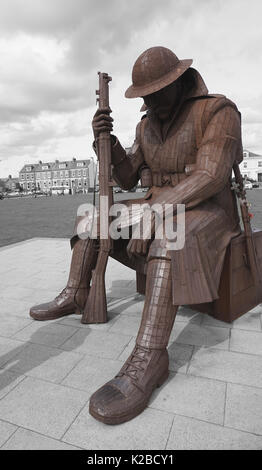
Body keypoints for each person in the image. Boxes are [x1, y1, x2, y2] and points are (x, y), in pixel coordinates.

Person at [30, 46, 243, 424]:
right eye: (146, 95)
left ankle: (149, 355)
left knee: (169, 237)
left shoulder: (218, 111)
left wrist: (159, 211)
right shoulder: (145, 126)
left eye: (158, 92)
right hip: (157, 204)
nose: (151, 101)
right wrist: (106, 143)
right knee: (92, 219)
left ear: (179, 82)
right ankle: (77, 293)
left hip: (209, 211)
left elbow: (211, 175)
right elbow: (127, 176)